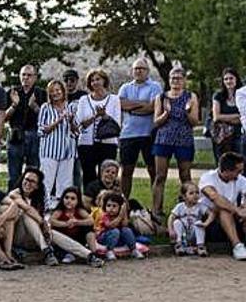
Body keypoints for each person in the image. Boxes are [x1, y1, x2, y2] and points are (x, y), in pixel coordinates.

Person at [151, 66, 199, 217]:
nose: (175, 81)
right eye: (172, 78)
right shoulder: (162, 97)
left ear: (184, 80)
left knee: (185, 175)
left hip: (184, 140)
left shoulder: (191, 97)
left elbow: (195, 122)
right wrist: (166, 112)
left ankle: (187, 208)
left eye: (179, 78)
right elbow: (156, 122)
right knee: (160, 176)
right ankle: (156, 210)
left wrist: (186, 111)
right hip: (163, 139)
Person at [118, 58, 162, 199]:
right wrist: (143, 105)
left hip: (149, 134)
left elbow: (152, 107)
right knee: (126, 170)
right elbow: (121, 104)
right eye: (136, 68)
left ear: (147, 71)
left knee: (153, 170)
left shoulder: (155, 86)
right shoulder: (125, 87)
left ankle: (156, 206)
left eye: (141, 69)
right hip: (128, 134)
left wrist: (132, 108)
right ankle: (123, 203)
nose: (138, 71)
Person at [75, 68, 120, 189]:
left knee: (106, 175)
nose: (95, 83)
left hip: (108, 143)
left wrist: (104, 116)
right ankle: (89, 201)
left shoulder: (114, 99)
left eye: (98, 79)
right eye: (92, 80)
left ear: (104, 81)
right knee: (88, 174)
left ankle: (105, 202)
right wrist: (95, 116)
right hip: (86, 143)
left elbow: (117, 123)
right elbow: (80, 122)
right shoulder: (84, 100)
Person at [4, 167, 59, 266]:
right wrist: (43, 223)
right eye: (26, 179)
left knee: (54, 234)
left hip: (35, 235)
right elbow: (27, 208)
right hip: (17, 236)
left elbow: (47, 213)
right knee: (26, 214)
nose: (28, 183)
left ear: (37, 186)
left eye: (32, 181)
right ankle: (46, 250)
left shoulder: (39, 197)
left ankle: (88, 254)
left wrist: (47, 226)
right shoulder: (15, 193)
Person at [5, 64, 47, 192]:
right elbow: (4, 117)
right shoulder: (13, 92)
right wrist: (14, 104)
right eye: (23, 75)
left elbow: (47, 118)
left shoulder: (41, 93)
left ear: (35, 77)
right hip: (16, 135)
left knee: (33, 172)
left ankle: (32, 200)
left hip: (35, 136)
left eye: (29, 75)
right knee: (14, 174)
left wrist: (34, 106)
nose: (26, 78)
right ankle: (13, 200)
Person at [38, 79, 79, 209]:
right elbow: (41, 130)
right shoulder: (46, 107)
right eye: (52, 91)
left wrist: (71, 121)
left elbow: (76, 130)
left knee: (65, 183)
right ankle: (43, 207)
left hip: (67, 151)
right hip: (50, 150)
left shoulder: (71, 106)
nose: (55, 93)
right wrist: (58, 120)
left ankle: (63, 209)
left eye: (58, 90)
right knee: (46, 181)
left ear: (63, 91)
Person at [198, 151, 246, 260]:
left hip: (232, 221)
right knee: (223, 209)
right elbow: (214, 197)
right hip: (209, 222)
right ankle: (237, 246)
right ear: (227, 171)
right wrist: (237, 210)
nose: (241, 173)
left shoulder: (240, 179)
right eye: (238, 171)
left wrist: (244, 208)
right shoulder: (208, 178)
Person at [49, 187, 104, 267]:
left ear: (78, 201)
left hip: (77, 238)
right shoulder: (60, 211)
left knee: (88, 229)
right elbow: (52, 221)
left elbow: (91, 221)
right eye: (66, 197)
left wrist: (77, 222)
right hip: (63, 240)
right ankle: (68, 254)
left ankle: (94, 253)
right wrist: (65, 224)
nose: (69, 201)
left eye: (73, 198)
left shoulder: (79, 211)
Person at [95, 192, 144, 260]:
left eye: (114, 206)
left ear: (120, 207)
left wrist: (124, 213)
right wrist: (120, 216)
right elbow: (110, 226)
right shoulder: (104, 215)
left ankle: (133, 249)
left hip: (118, 239)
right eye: (108, 206)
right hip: (105, 237)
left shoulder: (120, 214)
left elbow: (125, 224)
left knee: (126, 230)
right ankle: (109, 251)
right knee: (115, 231)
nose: (111, 208)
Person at [168, 182, 212, 257]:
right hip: (183, 234)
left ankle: (200, 246)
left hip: (194, 234)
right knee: (177, 222)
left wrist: (206, 223)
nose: (195, 195)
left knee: (199, 223)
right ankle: (179, 245)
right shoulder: (180, 206)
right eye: (191, 193)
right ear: (184, 196)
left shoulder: (200, 206)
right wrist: (170, 230)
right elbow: (171, 217)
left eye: (197, 192)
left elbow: (211, 213)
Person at [62, 69, 87, 190]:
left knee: (76, 169)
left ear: (77, 81)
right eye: (66, 80)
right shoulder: (59, 96)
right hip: (62, 136)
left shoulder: (83, 96)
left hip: (78, 135)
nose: (69, 83)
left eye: (72, 80)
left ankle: (77, 194)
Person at [211, 68, 242, 164]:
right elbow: (216, 117)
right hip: (223, 137)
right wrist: (237, 116)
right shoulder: (218, 96)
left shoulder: (242, 95)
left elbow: (244, 118)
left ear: (236, 79)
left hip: (240, 134)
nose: (229, 81)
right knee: (224, 164)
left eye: (231, 78)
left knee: (240, 164)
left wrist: (225, 117)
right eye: (226, 79)